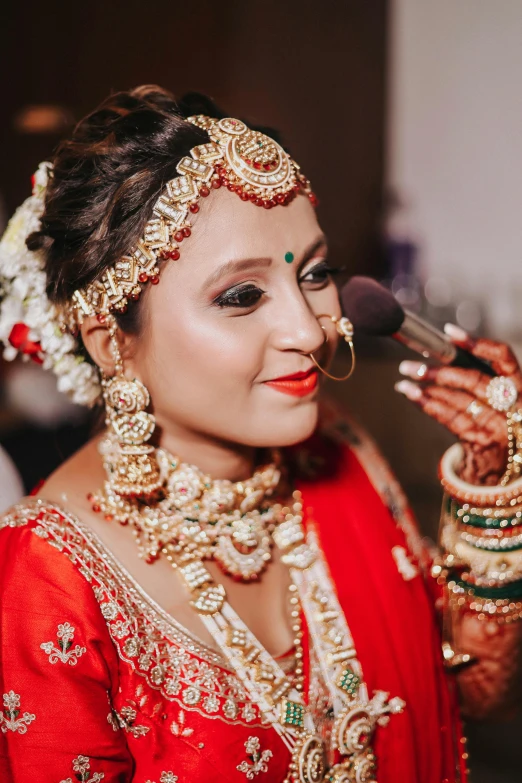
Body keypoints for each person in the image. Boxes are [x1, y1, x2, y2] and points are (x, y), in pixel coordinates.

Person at [0, 86, 520, 783]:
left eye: (315, 274)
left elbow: (476, 697)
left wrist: (492, 488)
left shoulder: (338, 449)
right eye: (241, 296)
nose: (309, 331)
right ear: (110, 342)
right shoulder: (51, 576)